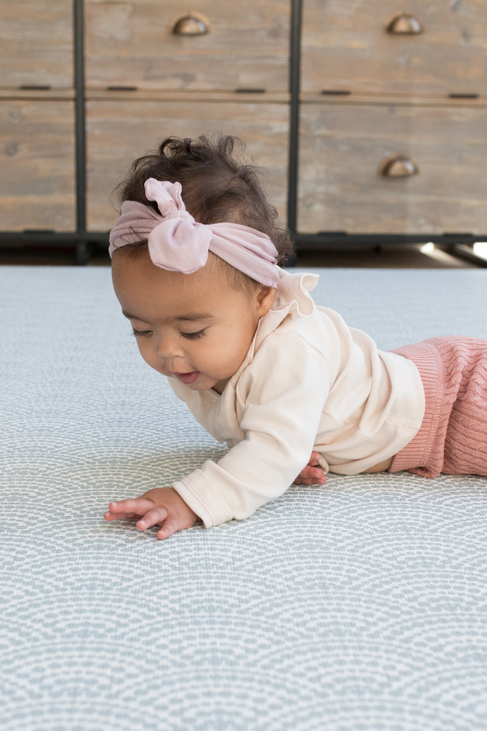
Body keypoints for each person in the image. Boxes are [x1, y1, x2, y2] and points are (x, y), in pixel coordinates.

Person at [103, 134, 487, 540]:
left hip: (457, 405)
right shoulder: (193, 355)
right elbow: (268, 433)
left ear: (263, 297)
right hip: (407, 383)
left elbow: (273, 450)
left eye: (193, 330)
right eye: (141, 329)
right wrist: (291, 443)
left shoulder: (291, 351)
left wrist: (191, 498)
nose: (165, 350)